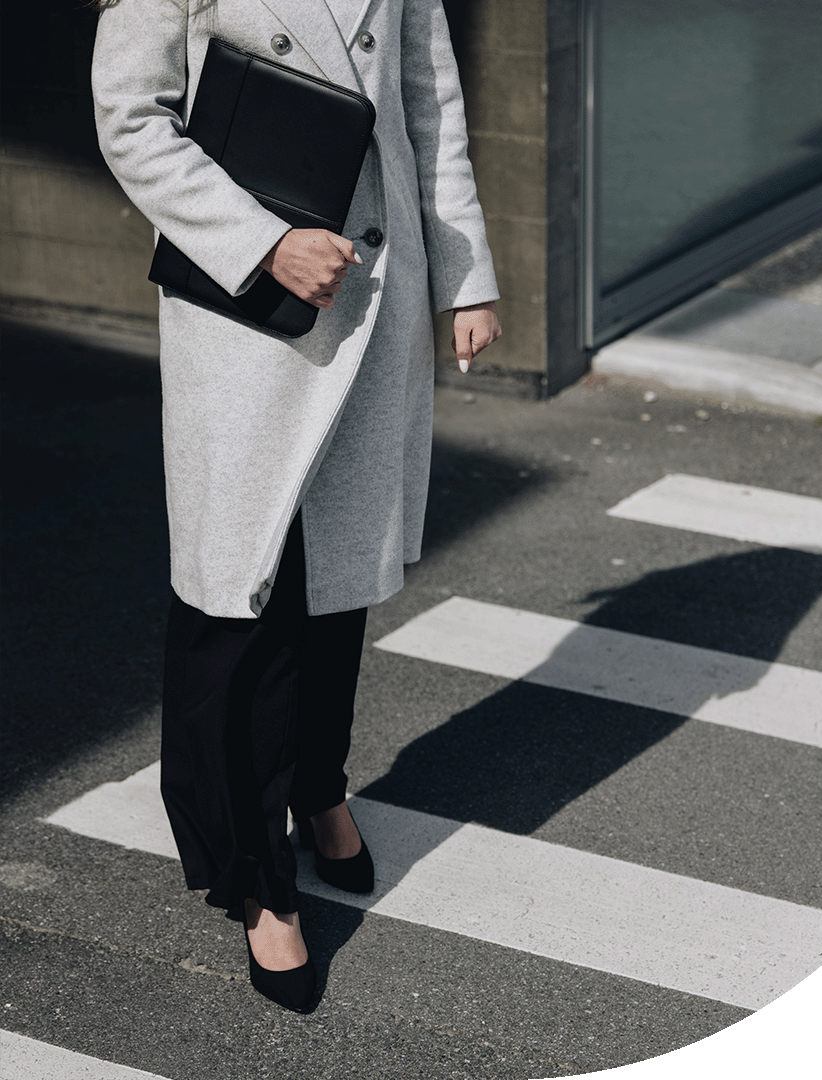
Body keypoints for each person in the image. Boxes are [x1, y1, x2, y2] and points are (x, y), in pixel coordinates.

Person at [90, 0, 501, 1012]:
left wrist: (465, 275)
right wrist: (266, 240)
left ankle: (319, 787)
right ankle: (254, 881)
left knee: (336, 585)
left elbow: (428, 99)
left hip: (370, 286)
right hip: (247, 311)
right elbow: (130, 118)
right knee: (240, 600)